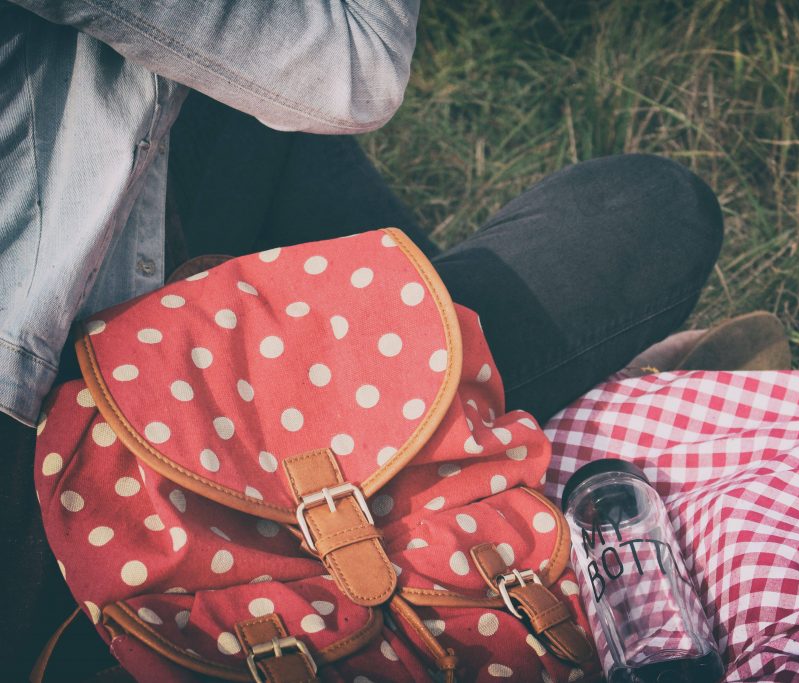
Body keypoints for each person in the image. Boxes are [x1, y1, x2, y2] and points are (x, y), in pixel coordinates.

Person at [0, 1, 724, 677]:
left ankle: (449, 391)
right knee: (653, 211)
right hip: (59, 470)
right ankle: (505, 404)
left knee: (250, 118)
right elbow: (356, 65)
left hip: (166, 340)